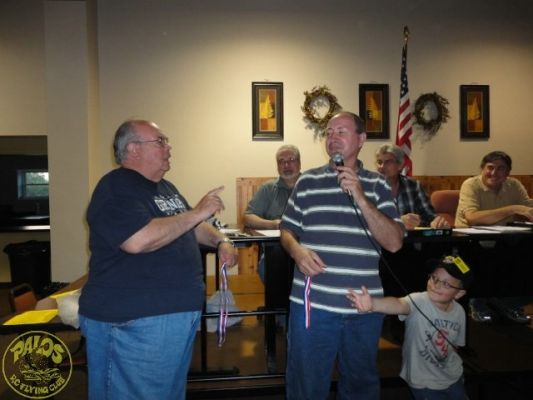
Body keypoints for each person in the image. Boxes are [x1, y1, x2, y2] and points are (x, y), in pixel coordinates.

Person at [78, 119, 238, 400]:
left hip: (169, 317)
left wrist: (221, 240)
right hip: (134, 321)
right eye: (160, 141)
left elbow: (193, 226)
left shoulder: (165, 188)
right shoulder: (115, 187)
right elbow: (138, 240)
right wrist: (198, 212)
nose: (169, 147)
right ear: (133, 149)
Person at [280, 111, 404, 399]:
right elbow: (286, 230)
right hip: (312, 305)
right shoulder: (307, 182)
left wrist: (360, 195)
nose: (332, 137)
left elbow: (394, 243)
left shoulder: (378, 185)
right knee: (306, 384)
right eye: (329, 132)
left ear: (361, 139)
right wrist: (297, 251)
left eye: (341, 131)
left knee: (360, 385)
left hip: (364, 307)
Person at [348, 255, 473, 400]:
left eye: (446, 284)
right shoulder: (419, 300)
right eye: (434, 278)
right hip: (425, 383)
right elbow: (399, 304)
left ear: (459, 293)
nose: (436, 285)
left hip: (454, 376)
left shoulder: (459, 311)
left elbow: (455, 345)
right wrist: (373, 304)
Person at [243, 144, 301, 282]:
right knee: (270, 268)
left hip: (306, 247)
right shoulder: (268, 189)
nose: (286, 165)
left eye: (291, 160)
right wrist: (273, 224)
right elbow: (248, 217)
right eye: (281, 161)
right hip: (275, 249)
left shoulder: (310, 185)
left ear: (299, 163)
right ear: (277, 166)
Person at [375, 144, 449, 229]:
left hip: (410, 237)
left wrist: (437, 223)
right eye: (379, 162)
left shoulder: (413, 186)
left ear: (400, 165)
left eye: (388, 162)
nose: (382, 166)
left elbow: (429, 217)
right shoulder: (368, 188)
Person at [455, 151, 533, 227]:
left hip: (506, 233)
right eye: (490, 168)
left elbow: (528, 210)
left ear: (507, 173)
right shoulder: (471, 184)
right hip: (469, 233)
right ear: (482, 169)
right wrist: (513, 209)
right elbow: (472, 218)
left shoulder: (514, 185)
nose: (494, 173)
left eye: (500, 169)